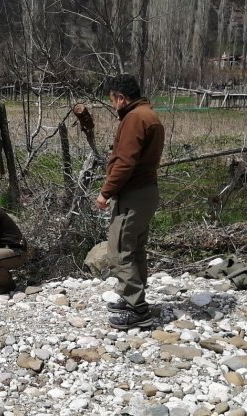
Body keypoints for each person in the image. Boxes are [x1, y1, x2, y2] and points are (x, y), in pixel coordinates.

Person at [95, 74, 165, 330]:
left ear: (121, 98)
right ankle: (132, 296)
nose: (113, 105)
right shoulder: (150, 115)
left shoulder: (134, 119)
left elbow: (125, 162)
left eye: (113, 99)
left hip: (133, 193)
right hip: (147, 191)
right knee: (135, 249)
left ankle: (138, 310)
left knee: (120, 251)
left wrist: (106, 192)